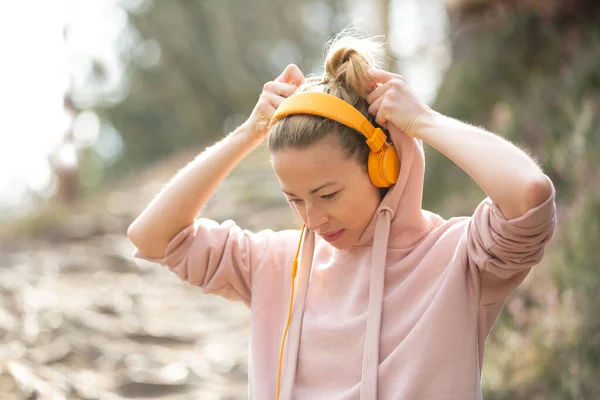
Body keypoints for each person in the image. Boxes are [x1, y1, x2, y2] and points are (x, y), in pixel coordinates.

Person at [127, 33, 556, 400]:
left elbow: (529, 193)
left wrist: (424, 121)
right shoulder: (276, 263)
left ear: (383, 167)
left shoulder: (461, 259)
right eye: (294, 199)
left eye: (327, 193)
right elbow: (152, 236)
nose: (312, 218)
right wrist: (247, 133)